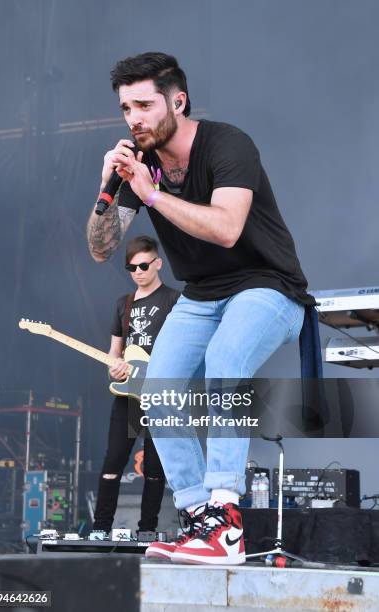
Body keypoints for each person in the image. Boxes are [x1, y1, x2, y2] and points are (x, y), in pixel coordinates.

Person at [87, 52, 315, 565]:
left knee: (225, 362)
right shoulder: (139, 167)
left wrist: (153, 195)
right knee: (159, 389)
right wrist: (107, 187)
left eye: (144, 104)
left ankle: (226, 515)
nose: (134, 118)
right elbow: (101, 247)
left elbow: (227, 228)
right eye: (126, 108)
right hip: (202, 294)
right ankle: (198, 519)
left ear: (177, 101)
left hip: (268, 285)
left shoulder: (228, 144)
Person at [92, 235, 180, 535]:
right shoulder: (123, 304)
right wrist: (113, 368)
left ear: (158, 263)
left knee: (155, 470)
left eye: (144, 265)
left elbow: (186, 349)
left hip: (161, 394)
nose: (138, 272)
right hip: (129, 394)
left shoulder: (174, 300)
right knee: (113, 461)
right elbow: (114, 351)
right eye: (132, 267)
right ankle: (101, 527)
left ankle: (147, 530)